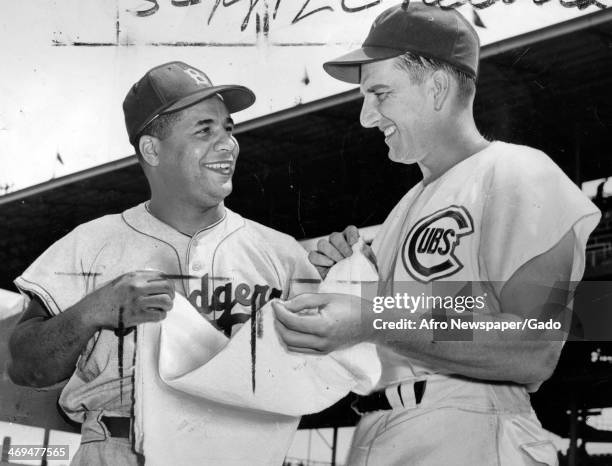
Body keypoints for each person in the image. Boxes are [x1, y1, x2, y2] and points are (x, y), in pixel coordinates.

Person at [272, 3, 601, 465]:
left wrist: (371, 317)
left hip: (470, 432)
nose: (366, 117)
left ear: (438, 87)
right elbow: (395, 329)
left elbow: (535, 342)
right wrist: (341, 279)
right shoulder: (403, 211)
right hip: (378, 432)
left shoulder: (519, 172)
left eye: (380, 93)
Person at [8, 61, 317, 465]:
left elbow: (342, 369)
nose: (227, 143)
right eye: (204, 130)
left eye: (228, 128)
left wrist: (349, 284)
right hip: (122, 445)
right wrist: (92, 312)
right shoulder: (93, 243)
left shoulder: (281, 253)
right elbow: (25, 366)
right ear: (152, 149)